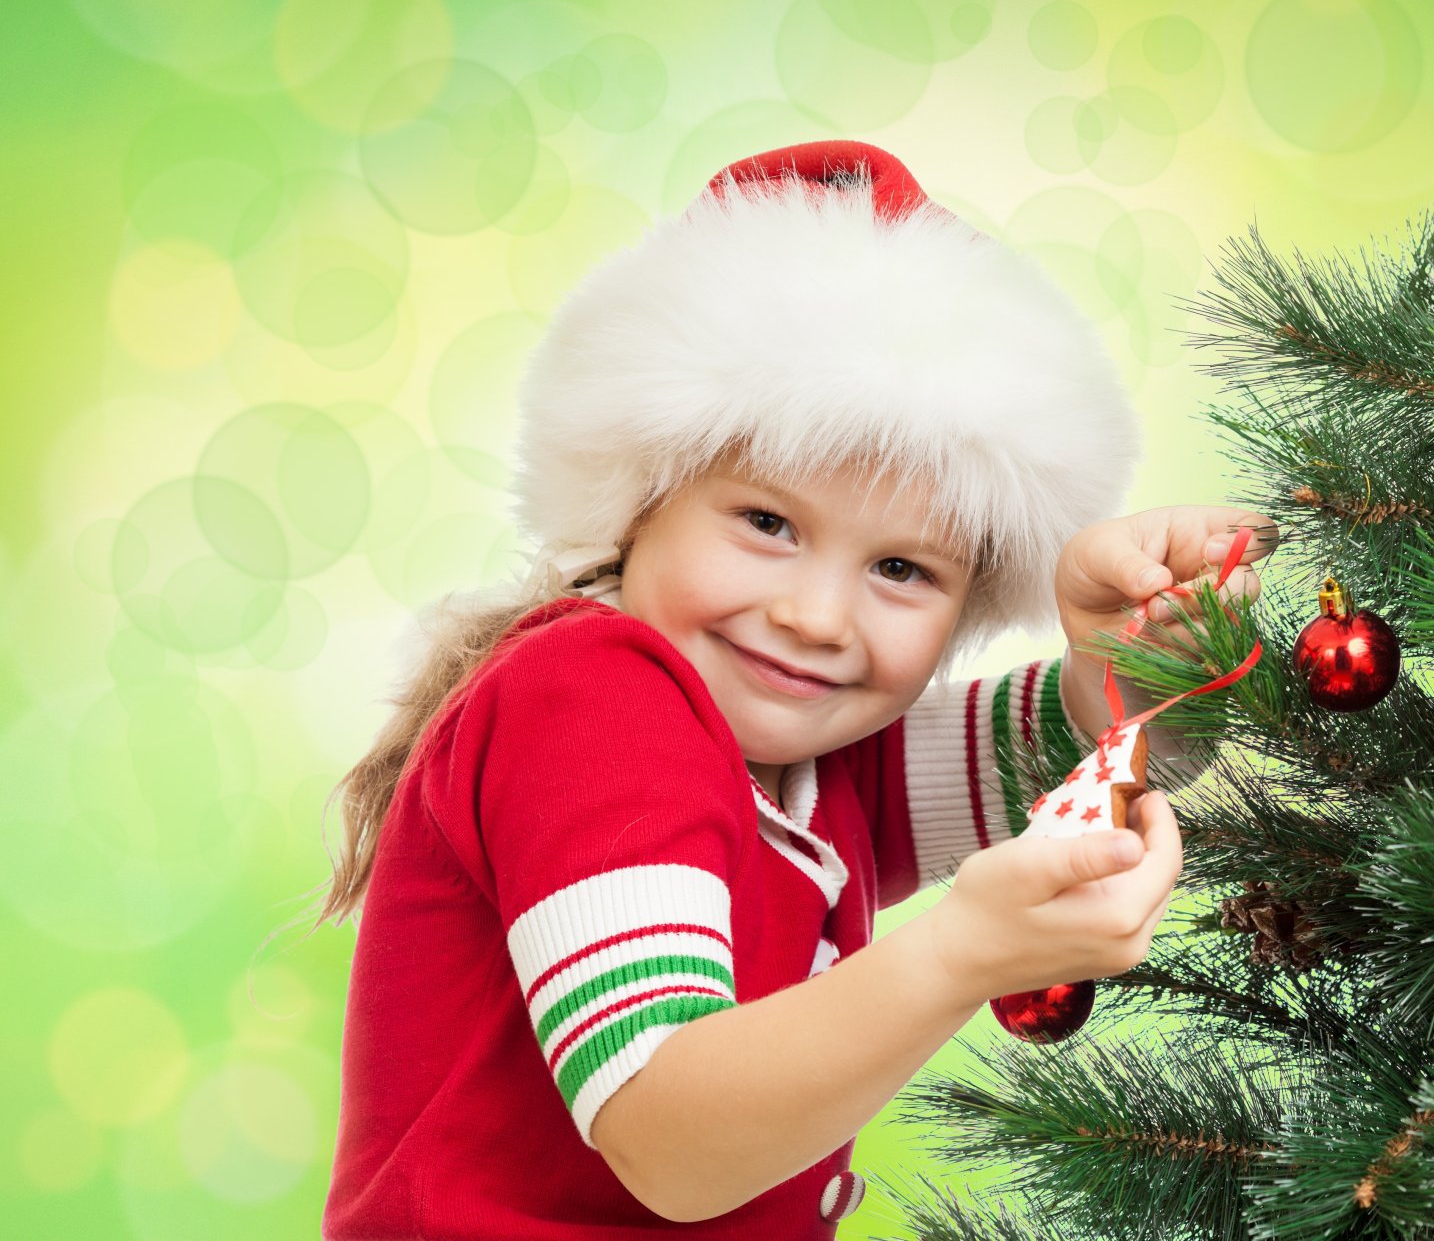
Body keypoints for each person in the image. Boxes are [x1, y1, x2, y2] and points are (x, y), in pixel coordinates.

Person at [312, 140, 1272, 1238]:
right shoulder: (588, 694)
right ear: (640, 501)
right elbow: (668, 1137)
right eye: (768, 524)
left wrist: (1127, 664)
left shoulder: (813, 749)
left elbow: (1070, 754)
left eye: (902, 570)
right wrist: (962, 953)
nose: (817, 618)